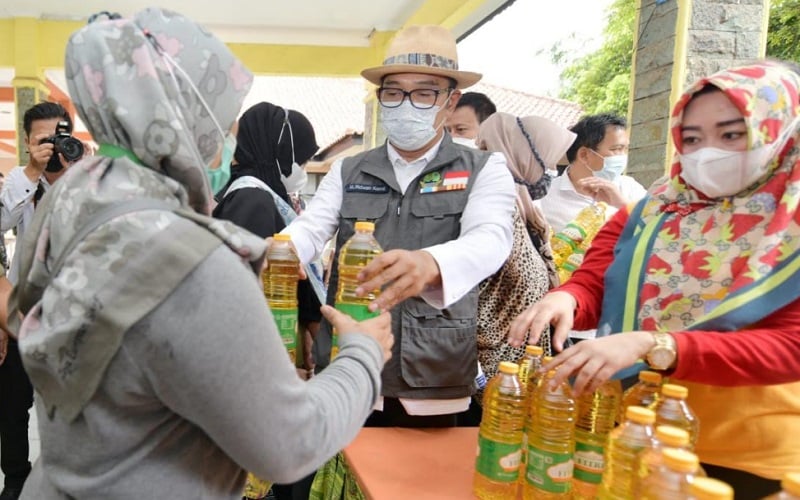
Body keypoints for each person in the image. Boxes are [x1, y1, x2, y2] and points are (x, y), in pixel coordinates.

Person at [8, 9, 393, 499]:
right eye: (224, 122)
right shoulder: (188, 261)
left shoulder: (68, 205)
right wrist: (362, 355)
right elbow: (288, 444)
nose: (229, 147)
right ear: (184, 120)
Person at [509, 60, 800, 497]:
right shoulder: (652, 212)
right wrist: (566, 300)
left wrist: (655, 345)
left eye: (732, 134)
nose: (709, 152)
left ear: (780, 133)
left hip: (749, 455)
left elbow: (790, 346)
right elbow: (595, 281)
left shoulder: (789, 224)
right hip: (637, 434)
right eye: (693, 138)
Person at [283, 24, 516, 428]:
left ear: (450, 100)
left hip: (432, 371)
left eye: (424, 92)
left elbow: (492, 238)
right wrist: (284, 249)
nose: (406, 104)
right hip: (348, 359)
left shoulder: (483, 168)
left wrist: (431, 263)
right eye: (393, 92)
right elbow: (312, 226)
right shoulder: (349, 167)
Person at [212, 102, 323, 500]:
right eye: (303, 157)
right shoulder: (252, 202)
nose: (304, 167)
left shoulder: (265, 197)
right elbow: (247, 292)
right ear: (281, 152)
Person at [539, 113, 647, 234]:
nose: (622, 156)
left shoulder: (631, 189)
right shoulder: (545, 197)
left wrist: (623, 206)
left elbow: (660, 233)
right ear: (584, 155)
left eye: (625, 149)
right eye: (616, 149)